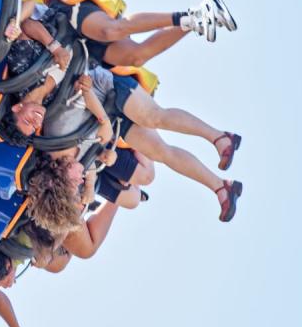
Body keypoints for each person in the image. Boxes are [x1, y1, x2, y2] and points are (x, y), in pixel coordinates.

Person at [17, 66, 243, 224]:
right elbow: (92, 165)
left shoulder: (58, 134)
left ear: (59, 180)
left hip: (105, 89)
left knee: (154, 117)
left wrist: (104, 122)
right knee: (162, 153)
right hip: (113, 121)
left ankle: (220, 137)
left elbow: (81, 90)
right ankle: (221, 187)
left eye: (72, 186)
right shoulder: (73, 165)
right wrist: (108, 158)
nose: (78, 182)